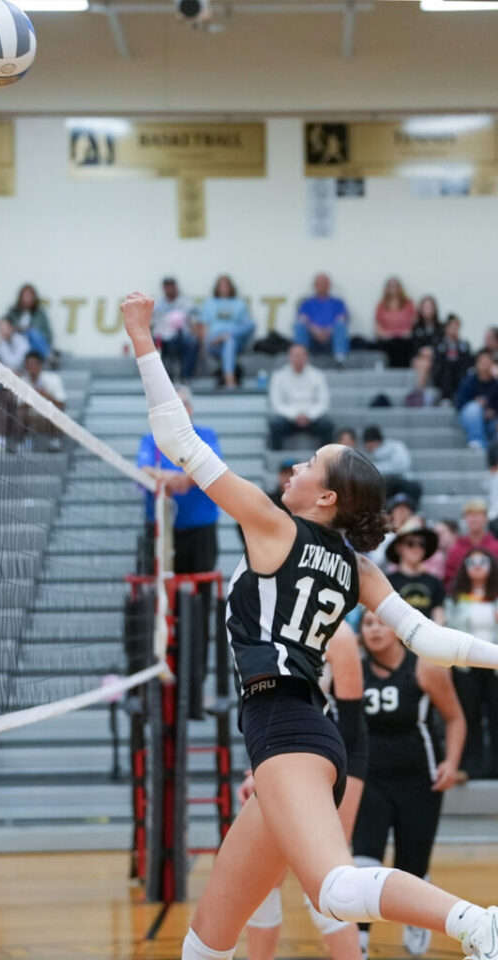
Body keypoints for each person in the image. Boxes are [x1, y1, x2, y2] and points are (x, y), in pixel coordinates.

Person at [119, 290, 498, 960]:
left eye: (308, 466)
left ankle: (475, 922)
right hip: (290, 736)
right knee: (205, 944)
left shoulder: (274, 524)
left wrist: (142, 338)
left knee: (335, 890)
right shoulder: (357, 566)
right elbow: (429, 640)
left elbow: (178, 441)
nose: (292, 468)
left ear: (324, 497)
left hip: (289, 726)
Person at [243, 623, 368, 960]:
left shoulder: (338, 636)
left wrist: (312, 777)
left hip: (338, 755)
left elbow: (353, 730)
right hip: (284, 752)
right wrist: (262, 768)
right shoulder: (262, 628)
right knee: (261, 878)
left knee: (328, 880)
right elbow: (266, 714)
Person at [353, 608, 465, 959]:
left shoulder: (423, 667)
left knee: (411, 866)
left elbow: (455, 718)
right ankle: (360, 938)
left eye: (380, 623)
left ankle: (416, 918)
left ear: (396, 631)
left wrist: (451, 763)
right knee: (363, 862)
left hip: (418, 780)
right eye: (367, 624)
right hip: (369, 779)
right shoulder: (351, 669)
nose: (374, 630)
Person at [137, 384, 221, 696]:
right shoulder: (152, 439)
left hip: (199, 535)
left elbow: (202, 472)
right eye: (174, 405)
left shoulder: (206, 435)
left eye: (184, 405)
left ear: (191, 410)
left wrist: (172, 479)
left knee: (198, 611)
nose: (179, 410)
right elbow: (143, 470)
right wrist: (173, 479)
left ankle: (194, 690)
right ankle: (149, 686)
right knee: (150, 606)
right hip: (159, 535)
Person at [447, 550, 498, 780]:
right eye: (472, 562)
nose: (477, 566)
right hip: (466, 665)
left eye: (483, 562)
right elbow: (448, 629)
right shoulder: (455, 599)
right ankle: (472, 766)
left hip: (495, 665)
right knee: (470, 714)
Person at [268, 344, 333, 451]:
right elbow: (277, 403)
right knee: (275, 425)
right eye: (295, 356)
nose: (298, 359)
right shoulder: (278, 376)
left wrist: (308, 415)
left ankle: (323, 461)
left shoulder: (317, 375)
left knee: (327, 426)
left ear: (306, 357)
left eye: (301, 356)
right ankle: (277, 460)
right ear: (290, 357)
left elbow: (323, 402)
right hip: (288, 418)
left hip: (312, 417)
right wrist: (295, 415)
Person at [199, 275, 255, 389]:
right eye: (221, 285)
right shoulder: (209, 303)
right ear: (217, 287)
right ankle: (230, 381)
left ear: (231, 287)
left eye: (226, 285)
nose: (224, 288)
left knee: (231, 340)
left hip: (235, 340)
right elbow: (204, 326)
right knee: (228, 342)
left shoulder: (240, 304)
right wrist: (206, 342)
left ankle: (230, 381)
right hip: (214, 342)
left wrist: (229, 335)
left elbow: (248, 326)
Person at [386, 519, 445, 624]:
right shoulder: (387, 582)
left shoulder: (434, 582)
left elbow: (439, 616)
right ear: (399, 547)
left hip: (428, 637)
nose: (416, 548)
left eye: (421, 544)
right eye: (410, 543)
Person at [444, 499, 498, 594]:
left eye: (478, 514)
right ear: (464, 518)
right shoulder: (456, 549)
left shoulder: (495, 547)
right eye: (470, 515)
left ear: (486, 518)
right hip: (462, 598)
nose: (474, 519)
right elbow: (449, 578)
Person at [151, 277, 199, 382]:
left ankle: (185, 376)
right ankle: (162, 377)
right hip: (163, 336)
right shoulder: (157, 304)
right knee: (155, 344)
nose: (169, 289)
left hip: (182, 335)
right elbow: (152, 323)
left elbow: (194, 321)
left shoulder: (187, 303)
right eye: (167, 287)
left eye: (171, 286)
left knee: (192, 342)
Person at [362, 426, 422, 508]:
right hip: (383, 487)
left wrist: (375, 468)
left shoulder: (396, 446)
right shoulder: (367, 454)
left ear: (375, 441)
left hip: (403, 483)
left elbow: (402, 466)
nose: (368, 447)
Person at [294, 273, 349, 362]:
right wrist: (315, 330)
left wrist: (328, 330)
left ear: (329, 285)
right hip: (312, 337)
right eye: (319, 283)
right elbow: (302, 319)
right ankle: (301, 356)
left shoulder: (338, 302)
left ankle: (340, 358)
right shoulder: (306, 303)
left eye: (325, 283)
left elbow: (342, 318)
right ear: (314, 285)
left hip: (331, 337)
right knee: (299, 325)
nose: (322, 286)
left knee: (341, 326)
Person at [18, 350, 66, 450]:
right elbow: (20, 406)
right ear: (26, 367)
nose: (32, 369)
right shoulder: (23, 381)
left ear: (40, 365)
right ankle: (25, 441)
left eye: (34, 365)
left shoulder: (53, 379)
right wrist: (33, 398)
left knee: (56, 410)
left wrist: (46, 396)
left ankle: (55, 442)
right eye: (29, 365)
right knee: (19, 413)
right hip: (30, 417)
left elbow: (62, 404)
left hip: (48, 417)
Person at [456, 349, 498, 450]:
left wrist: (493, 412)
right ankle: (477, 443)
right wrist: (477, 406)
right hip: (471, 420)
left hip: (491, 422)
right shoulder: (469, 381)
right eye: (482, 362)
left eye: (488, 362)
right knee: (474, 408)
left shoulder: (496, 383)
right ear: (477, 364)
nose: (485, 366)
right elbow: (460, 405)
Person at [374, 277, 416, 369]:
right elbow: (378, 327)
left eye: (395, 286)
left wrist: (403, 333)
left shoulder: (408, 303)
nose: (393, 288)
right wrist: (388, 334)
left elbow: (414, 323)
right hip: (388, 339)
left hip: (404, 338)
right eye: (391, 286)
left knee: (402, 345)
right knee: (391, 344)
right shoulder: (381, 305)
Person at [5, 283, 54, 359]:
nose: (27, 298)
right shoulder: (13, 312)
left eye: (29, 296)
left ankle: (48, 356)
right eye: (25, 295)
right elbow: (7, 327)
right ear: (20, 297)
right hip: (17, 341)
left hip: (33, 344)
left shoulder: (40, 314)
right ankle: (49, 356)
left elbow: (48, 335)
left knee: (33, 332)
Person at [433, 315, 471, 405]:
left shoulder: (464, 345)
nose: (454, 329)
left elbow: (467, 362)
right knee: (447, 369)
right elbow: (438, 361)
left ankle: (460, 396)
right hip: (444, 374)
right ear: (446, 328)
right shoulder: (440, 344)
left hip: (459, 373)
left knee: (462, 371)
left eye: (456, 327)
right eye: (452, 326)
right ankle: (446, 398)